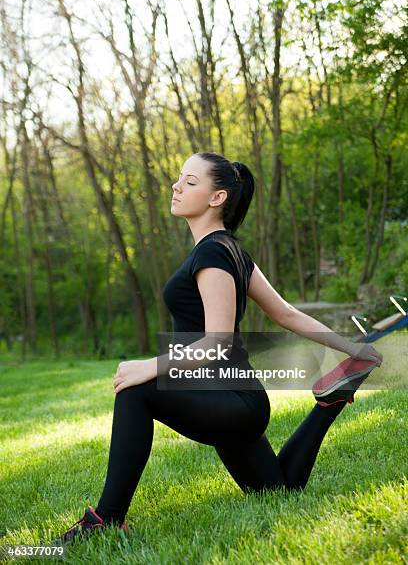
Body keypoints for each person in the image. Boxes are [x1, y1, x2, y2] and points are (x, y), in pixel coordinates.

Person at [53, 152, 383, 545]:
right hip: (232, 398)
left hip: (229, 400)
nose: (177, 187)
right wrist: (351, 348)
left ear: (217, 198)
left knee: (137, 391)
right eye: (179, 178)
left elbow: (217, 343)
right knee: (278, 492)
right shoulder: (226, 250)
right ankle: (328, 403)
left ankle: (105, 519)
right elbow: (287, 315)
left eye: (190, 182)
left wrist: (150, 366)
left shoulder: (214, 254)